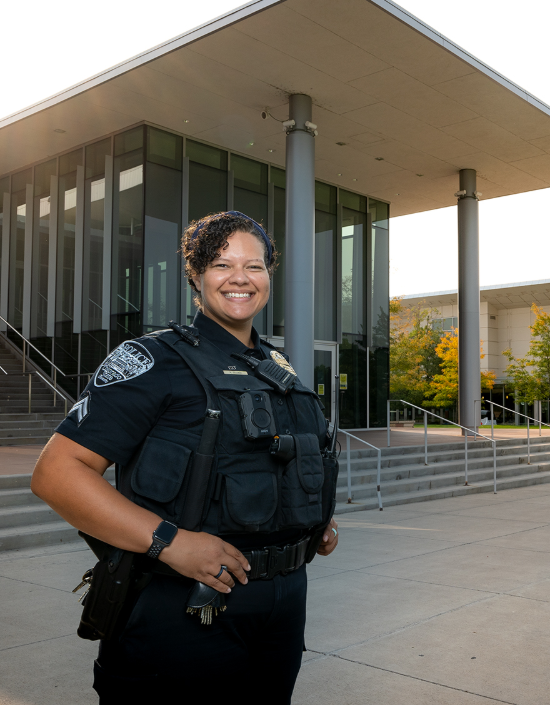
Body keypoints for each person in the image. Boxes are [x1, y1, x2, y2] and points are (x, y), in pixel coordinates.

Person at [32, 211, 340, 704]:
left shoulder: (276, 366)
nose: (241, 278)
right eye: (222, 264)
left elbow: (268, 460)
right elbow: (57, 474)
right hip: (182, 605)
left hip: (282, 601)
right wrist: (170, 543)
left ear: (269, 276)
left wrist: (309, 518)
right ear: (195, 276)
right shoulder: (154, 360)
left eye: (255, 266)